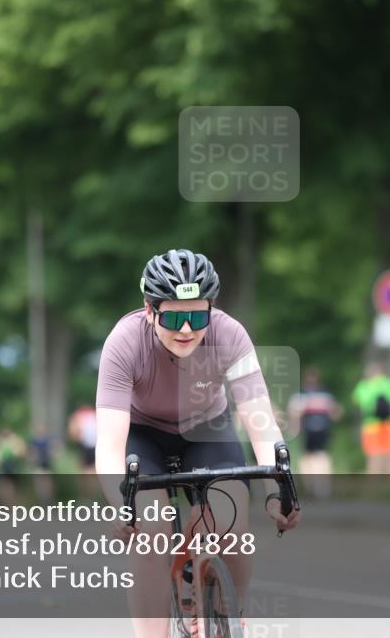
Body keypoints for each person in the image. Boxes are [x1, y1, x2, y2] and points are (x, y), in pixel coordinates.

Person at [95, 249, 300, 638]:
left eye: (198, 316)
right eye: (174, 318)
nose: (187, 329)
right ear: (149, 311)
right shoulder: (124, 342)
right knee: (151, 533)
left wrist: (277, 490)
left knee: (232, 525)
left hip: (207, 430)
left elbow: (261, 423)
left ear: (212, 310)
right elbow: (109, 442)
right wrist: (121, 504)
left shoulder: (230, 335)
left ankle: (228, 617)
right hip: (143, 434)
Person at [286, 367, 341, 499]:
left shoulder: (302, 395)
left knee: (313, 457)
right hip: (320, 430)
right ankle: (319, 487)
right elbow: (336, 413)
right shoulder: (325, 395)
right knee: (317, 457)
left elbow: (293, 412)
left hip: (312, 431)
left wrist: (294, 426)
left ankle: (314, 486)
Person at [352, 362, 390, 474]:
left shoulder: (364, 386)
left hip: (372, 423)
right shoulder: (387, 383)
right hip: (388, 422)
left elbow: (358, 401)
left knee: (374, 454)